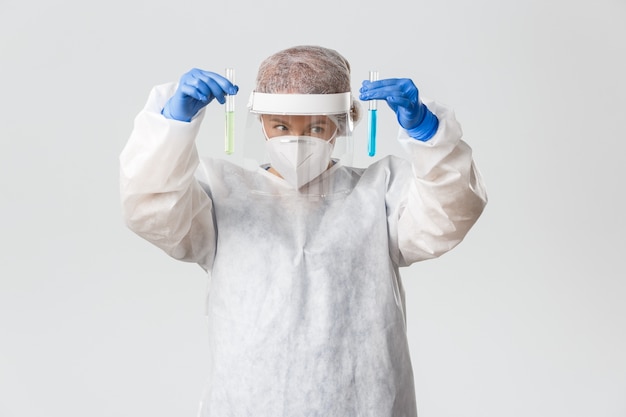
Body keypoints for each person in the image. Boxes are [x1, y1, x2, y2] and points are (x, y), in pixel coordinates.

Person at [120, 45, 487, 417]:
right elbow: (151, 208)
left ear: (343, 123)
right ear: (260, 121)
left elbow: (449, 215)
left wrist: (429, 134)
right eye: (281, 125)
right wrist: (171, 126)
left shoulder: (380, 191)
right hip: (248, 402)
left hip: (364, 401)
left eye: (314, 126)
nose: (295, 141)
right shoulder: (222, 192)